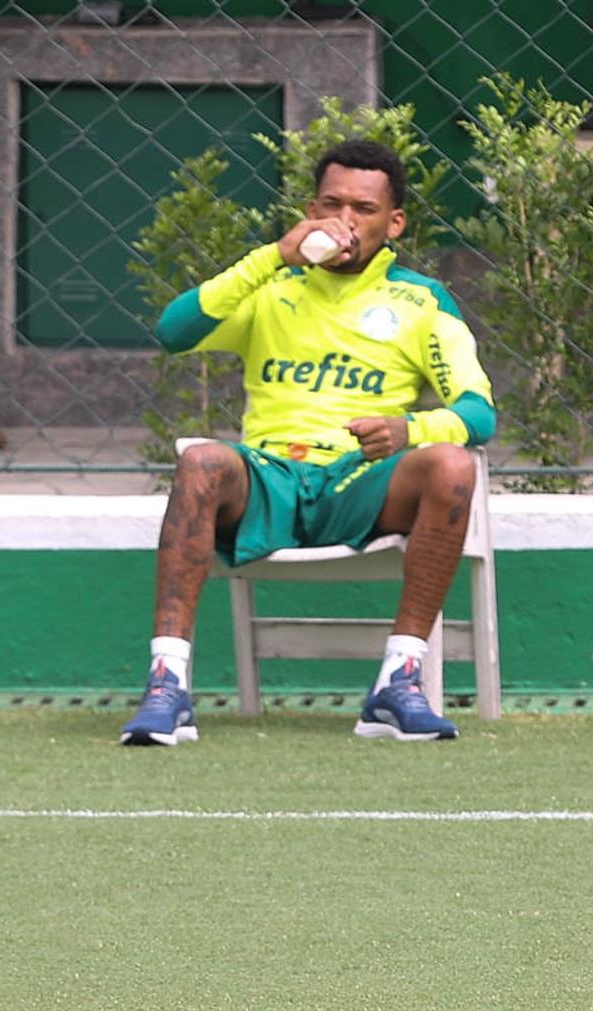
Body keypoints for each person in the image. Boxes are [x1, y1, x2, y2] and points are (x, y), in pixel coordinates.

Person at [119, 139, 496, 747]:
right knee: (200, 460)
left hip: (359, 481)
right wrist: (272, 257)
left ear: (393, 222)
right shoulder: (270, 286)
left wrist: (410, 430)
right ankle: (167, 687)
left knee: (451, 465)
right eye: (331, 204)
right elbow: (173, 331)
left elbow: (478, 413)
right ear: (310, 209)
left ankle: (398, 686)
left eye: (364, 209)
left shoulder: (422, 301)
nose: (345, 221)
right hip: (272, 477)